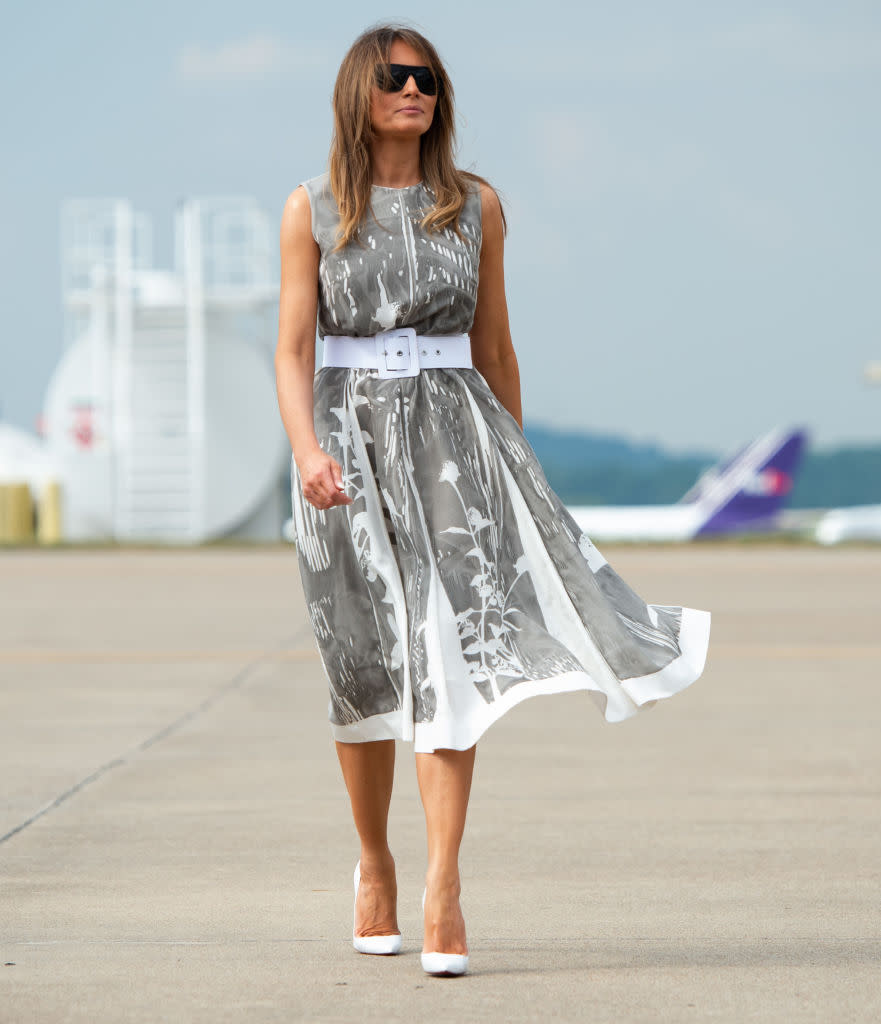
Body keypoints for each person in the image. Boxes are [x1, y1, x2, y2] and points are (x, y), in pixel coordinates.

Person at [275, 24, 711, 978]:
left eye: (428, 79)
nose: (414, 90)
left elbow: (497, 345)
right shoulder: (311, 207)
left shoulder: (474, 206)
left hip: (455, 441)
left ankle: (443, 886)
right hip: (343, 450)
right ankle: (375, 865)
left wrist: (516, 465)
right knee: (361, 665)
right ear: (360, 91)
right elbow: (292, 349)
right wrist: (304, 447)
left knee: (448, 657)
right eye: (395, 77)